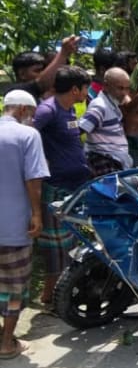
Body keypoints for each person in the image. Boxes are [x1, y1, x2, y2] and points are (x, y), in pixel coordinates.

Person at [33, 66, 92, 308]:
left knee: (70, 244)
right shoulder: (48, 110)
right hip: (56, 187)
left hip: (74, 187)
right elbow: (29, 138)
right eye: (85, 88)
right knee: (56, 248)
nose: (87, 93)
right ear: (76, 89)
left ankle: (59, 296)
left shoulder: (69, 111)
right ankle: (50, 298)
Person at [0, 90, 49, 360]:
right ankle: (7, 343)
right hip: (14, 226)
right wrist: (37, 215)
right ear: (22, 110)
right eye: (31, 114)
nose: (32, 119)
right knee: (14, 286)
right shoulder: (27, 136)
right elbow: (34, 180)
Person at [79, 68, 133, 176]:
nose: (124, 93)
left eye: (127, 88)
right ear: (106, 86)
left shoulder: (112, 105)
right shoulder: (100, 106)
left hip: (116, 162)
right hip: (105, 163)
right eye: (120, 88)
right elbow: (78, 130)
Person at [4, 36, 80, 101]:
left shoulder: (42, 95)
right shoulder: (16, 92)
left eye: (43, 70)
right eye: (37, 71)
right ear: (22, 74)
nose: (43, 74)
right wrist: (64, 52)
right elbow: (42, 83)